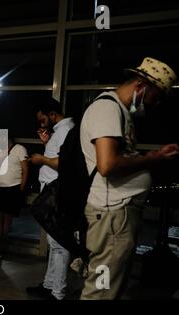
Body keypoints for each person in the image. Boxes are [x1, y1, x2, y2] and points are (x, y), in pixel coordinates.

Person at [80, 57, 179, 299]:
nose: (154, 105)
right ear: (140, 86)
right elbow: (108, 165)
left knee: (109, 287)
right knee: (101, 291)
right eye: (154, 97)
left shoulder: (118, 112)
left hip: (117, 215)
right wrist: (152, 158)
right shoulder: (107, 109)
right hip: (112, 215)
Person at [26, 98, 75, 300]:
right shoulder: (60, 131)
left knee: (59, 242)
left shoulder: (65, 131)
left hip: (56, 192)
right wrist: (48, 144)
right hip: (51, 191)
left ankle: (58, 291)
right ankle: (49, 285)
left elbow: (66, 163)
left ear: (53, 115)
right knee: (53, 242)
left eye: (44, 120)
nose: (42, 124)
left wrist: (41, 159)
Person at [0, 135, 29, 259]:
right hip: (0, 187)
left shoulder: (19, 149)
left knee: (7, 218)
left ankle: (2, 247)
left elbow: (25, 170)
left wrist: (21, 189)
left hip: (14, 187)